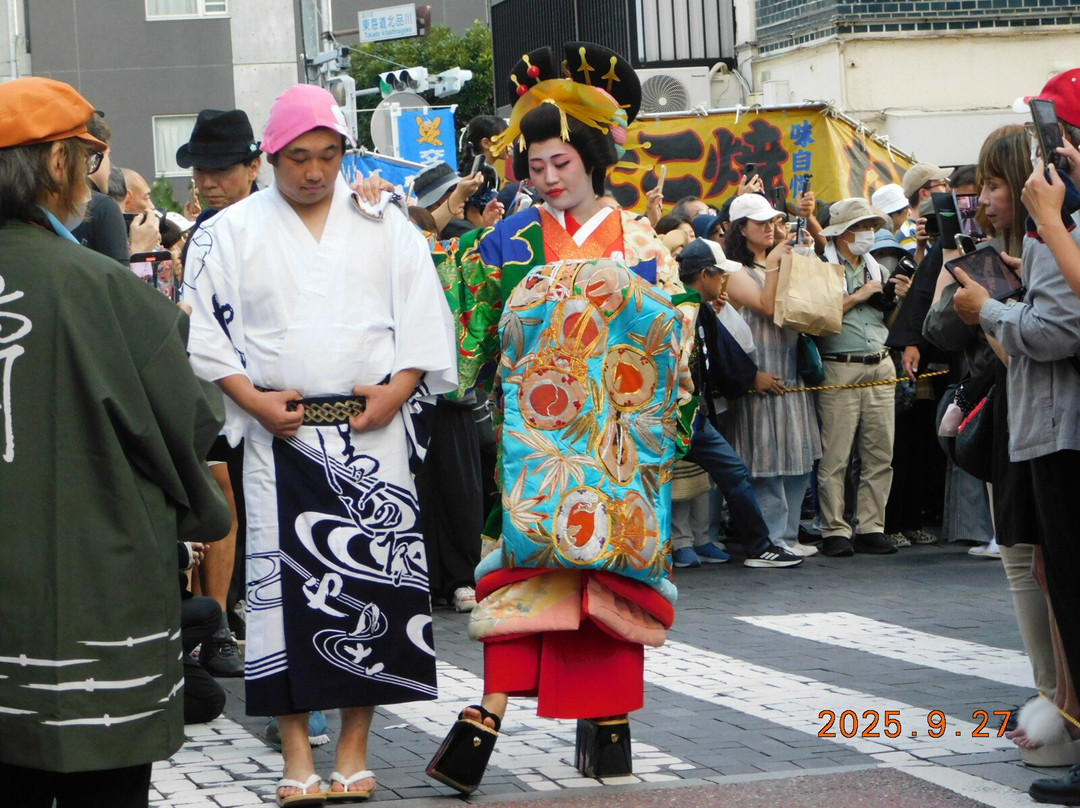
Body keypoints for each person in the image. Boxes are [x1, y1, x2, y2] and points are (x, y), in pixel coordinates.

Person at [422, 42, 696, 796]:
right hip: (532, 446)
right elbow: (463, 321)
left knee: (610, 580)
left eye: (561, 165)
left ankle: (606, 724)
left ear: (595, 160)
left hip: (616, 443)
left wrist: (657, 417)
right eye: (536, 166)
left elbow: (677, 340)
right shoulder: (504, 241)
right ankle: (490, 712)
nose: (547, 179)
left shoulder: (644, 244)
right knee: (522, 574)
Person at [184, 83, 458, 806]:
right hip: (284, 432)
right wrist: (250, 401)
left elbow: (424, 317)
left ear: (345, 153)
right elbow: (205, 339)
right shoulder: (230, 232)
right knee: (285, 601)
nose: (314, 172)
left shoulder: (384, 221)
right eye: (298, 157)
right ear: (269, 156)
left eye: (329, 156)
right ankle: (297, 753)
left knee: (372, 587)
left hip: (372, 429)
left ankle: (355, 749)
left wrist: (400, 389)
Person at [0, 76, 230, 808]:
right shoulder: (106, 290)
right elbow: (189, 421)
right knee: (103, 782)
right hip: (90, 585)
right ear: (59, 166)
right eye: (90, 154)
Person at [174, 107, 264, 680]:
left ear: (255, 166)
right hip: (214, 386)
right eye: (201, 171)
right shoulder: (203, 233)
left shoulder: (282, 221)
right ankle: (220, 627)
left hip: (282, 387)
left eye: (222, 169)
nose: (209, 182)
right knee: (219, 489)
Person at [724, 193, 822, 558]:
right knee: (764, 461)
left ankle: (789, 535)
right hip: (759, 374)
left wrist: (805, 256)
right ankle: (768, 542)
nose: (770, 228)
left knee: (798, 459)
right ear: (741, 229)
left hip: (792, 372)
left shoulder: (783, 260)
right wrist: (780, 261)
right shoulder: (733, 270)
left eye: (773, 221)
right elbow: (766, 306)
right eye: (761, 222)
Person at [812, 198, 911, 557]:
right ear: (840, 233)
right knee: (835, 454)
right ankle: (834, 528)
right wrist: (859, 295)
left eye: (871, 226)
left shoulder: (876, 268)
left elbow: (887, 325)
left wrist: (898, 299)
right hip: (838, 363)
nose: (867, 234)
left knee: (879, 452)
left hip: (880, 363)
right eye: (861, 227)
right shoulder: (820, 265)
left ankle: (872, 525)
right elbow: (816, 317)